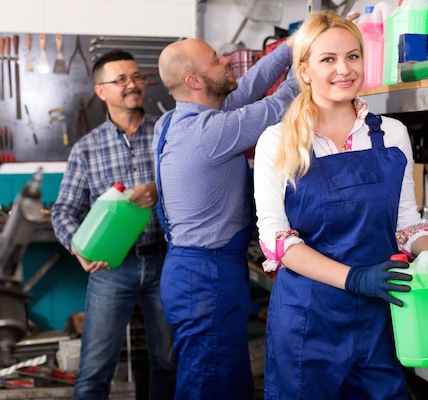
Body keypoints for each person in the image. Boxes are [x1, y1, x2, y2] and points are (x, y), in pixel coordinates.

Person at [253, 10, 428, 400]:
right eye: (328, 59)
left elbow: (405, 220)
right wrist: (355, 279)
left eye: (353, 56)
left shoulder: (392, 134)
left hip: (380, 313)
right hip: (308, 319)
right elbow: (278, 241)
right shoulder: (279, 141)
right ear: (304, 70)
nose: (344, 69)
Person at [152, 35, 298, 400]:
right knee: (210, 382)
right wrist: (311, 57)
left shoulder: (171, 122)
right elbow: (280, 102)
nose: (228, 62)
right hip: (209, 276)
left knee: (212, 375)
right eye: (217, 60)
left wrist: (290, 46)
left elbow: (247, 89)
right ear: (194, 81)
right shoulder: (212, 133)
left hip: (190, 270)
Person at [51, 50, 177, 400]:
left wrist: (159, 192)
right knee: (95, 368)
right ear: (101, 91)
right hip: (111, 268)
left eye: (136, 77)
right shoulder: (86, 149)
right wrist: (77, 247)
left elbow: (194, 194)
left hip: (166, 263)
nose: (133, 85)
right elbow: (64, 211)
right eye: (121, 79)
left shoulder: (168, 132)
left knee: (168, 362)